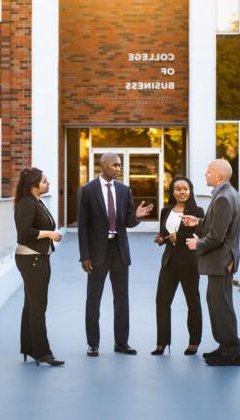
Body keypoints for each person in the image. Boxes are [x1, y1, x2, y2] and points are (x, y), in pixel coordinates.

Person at [77, 152, 154, 357]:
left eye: (120, 165)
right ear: (102, 166)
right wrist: (84, 256)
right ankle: (93, 343)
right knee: (93, 299)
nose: (118, 169)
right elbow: (83, 226)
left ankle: (121, 342)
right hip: (97, 253)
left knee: (122, 299)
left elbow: (127, 222)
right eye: (115, 165)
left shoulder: (124, 190)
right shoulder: (87, 191)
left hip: (119, 251)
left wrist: (136, 216)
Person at [185, 159, 240, 366]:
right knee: (220, 304)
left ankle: (231, 352)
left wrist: (197, 244)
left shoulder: (223, 198)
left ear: (219, 176)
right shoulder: (230, 194)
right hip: (224, 261)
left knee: (220, 306)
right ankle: (225, 347)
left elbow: (217, 237)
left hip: (220, 261)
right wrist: (198, 222)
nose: (205, 175)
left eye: (208, 172)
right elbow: (218, 227)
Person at [14, 167, 64, 367]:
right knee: (38, 307)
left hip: (38, 258)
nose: (48, 184)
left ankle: (29, 348)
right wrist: (49, 234)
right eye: (44, 181)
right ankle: (43, 353)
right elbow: (24, 234)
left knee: (31, 305)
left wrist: (48, 235)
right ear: (34, 185)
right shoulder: (27, 203)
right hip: (32, 259)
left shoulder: (36, 201)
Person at [152, 176, 205, 356]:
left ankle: (194, 342)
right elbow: (164, 233)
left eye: (185, 189)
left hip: (190, 263)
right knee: (162, 301)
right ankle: (162, 342)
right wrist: (160, 239)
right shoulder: (165, 210)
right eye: (178, 189)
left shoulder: (198, 211)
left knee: (193, 302)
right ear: (172, 192)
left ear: (190, 191)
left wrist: (179, 238)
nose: (182, 192)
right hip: (169, 262)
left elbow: (201, 235)